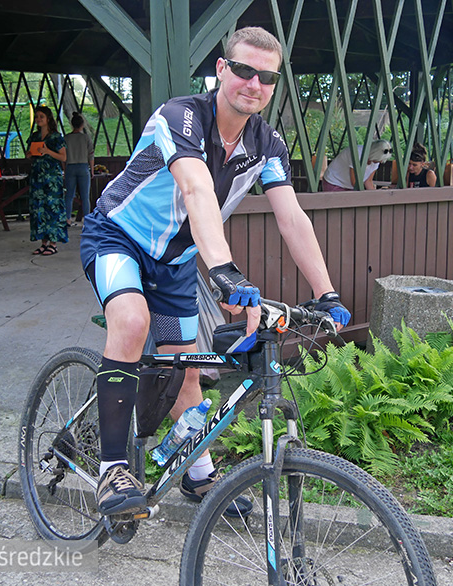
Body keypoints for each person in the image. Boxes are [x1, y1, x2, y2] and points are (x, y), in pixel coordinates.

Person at [79, 26, 351, 516]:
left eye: (266, 77)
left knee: (187, 370)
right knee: (132, 321)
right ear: (222, 70)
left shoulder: (267, 144)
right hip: (118, 239)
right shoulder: (180, 117)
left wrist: (326, 293)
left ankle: (198, 477)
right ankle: (111, 469)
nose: (254, 84)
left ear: (273, 87)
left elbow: (292, 218)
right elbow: (197, 190)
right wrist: (224, 270)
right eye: (244, 70)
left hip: (178, 264)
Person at [27, 106, 67, 256]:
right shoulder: (35, 136)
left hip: (51, 178)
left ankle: (53, 243)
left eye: (41, 117)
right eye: (37, 117)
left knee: (53, 208)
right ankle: (43, 242)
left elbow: (63, 157)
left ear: (48, 118)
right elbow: (29, 153)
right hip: (37, 176)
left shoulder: (56, 137)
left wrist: (48, 151)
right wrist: (31, 154)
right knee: (38, 208)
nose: (38, 119)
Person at [321, 139, 392, 191]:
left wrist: (375, 196)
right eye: (379, 159)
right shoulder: (357, 153)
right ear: (374, 154)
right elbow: (354, 182)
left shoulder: (377, 160)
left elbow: (368, 181)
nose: (381, 161)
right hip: (334, 182)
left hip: (349, 186)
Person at [63, 111, 94, 227]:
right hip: (83, 167)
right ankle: (87, 220)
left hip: (70, 166)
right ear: (82, 125)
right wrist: (91, 170)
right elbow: (91, 155)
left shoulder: (66, 138)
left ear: (72, 124)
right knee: (85, 196)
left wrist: (65, 170)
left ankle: (67, 219)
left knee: (69, 195)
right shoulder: (86, 138)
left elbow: (63, 157)